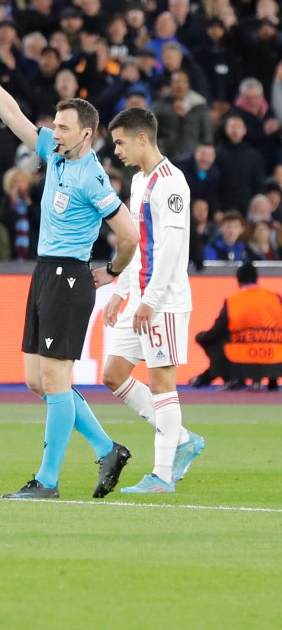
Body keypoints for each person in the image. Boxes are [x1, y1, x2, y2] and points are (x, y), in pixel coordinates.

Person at [0, 40, 139, 500]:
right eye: (56, 125)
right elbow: (14, 117)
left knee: (57, 381)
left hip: (69, 278)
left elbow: (129, 234)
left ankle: (47, 481)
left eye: (63, 128)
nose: (54, 132)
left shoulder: (92, 176)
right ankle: (107, 448)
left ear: (87, 134)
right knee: (36, 380)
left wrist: (113, 271)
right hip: (45, 272)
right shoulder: (55, 155)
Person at [99, 108, 206, 493]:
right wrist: (121, 293)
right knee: (112, 375)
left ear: (142, 138)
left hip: (164, 302)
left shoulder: (171, 183)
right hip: (140, 297)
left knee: (162, 382)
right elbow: (136, 242)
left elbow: (173, 248)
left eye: (120, 142)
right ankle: (182, 440)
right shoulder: (140, 180)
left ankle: (162, 476)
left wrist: (151, 299)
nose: (117, 151)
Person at [191, 261, 282, 392]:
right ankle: (272, 381)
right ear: (256, 278)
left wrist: (200, 337)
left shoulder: (234, 301)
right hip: (275, 355)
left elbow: (216, 331)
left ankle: (232, 378)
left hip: (244, 357)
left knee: (217, 340)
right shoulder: (276, 298)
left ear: (238, 281)